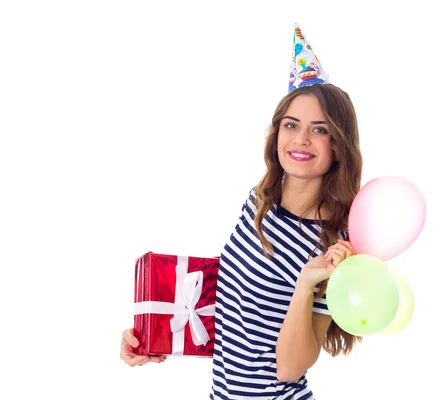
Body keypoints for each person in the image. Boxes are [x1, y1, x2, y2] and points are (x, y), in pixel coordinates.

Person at [120, 24, 364, 399]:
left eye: (320, 130)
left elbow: (290, 367)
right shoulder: (260, 201)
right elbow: (233, 305)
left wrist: (306, 284)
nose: (301, 139)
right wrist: (155, 337)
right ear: (277, 132)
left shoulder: (335, 242)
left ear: (339, 144)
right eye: (291, 125)